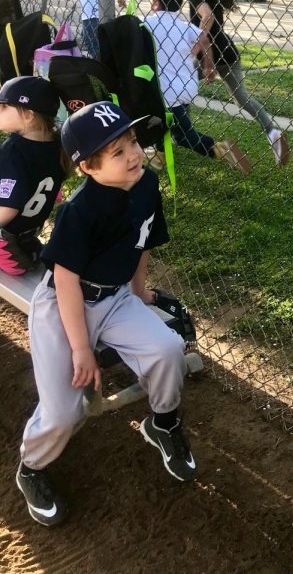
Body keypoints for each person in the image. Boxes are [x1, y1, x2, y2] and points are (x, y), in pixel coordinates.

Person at [16, 100, 197, 528]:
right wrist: (82, 349)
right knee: (65, 412)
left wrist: (139, 291)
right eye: (117, 152)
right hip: (64, 308)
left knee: (167, 349)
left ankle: (163, 423)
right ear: (88, 168)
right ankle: (32, 467)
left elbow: (143, 239)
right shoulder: (78, 211)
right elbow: (64, 283)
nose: (134, 153)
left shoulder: (147, 183)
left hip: (115, 298)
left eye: (132, 140)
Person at [188, 0, 289, 166]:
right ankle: (273, 133)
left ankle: (179, 131)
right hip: (228, 54)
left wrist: (200, 39)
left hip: (207, 56)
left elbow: (207, 17)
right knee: (242, 99)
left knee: (181, 91)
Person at [143, 0, 251, 174]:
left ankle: (219, 149)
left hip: (165, 92)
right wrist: (209, 67)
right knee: (164, 122)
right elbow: (205, 40)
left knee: (183, 135)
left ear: (156, 3)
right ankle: (159, 155)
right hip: (186, 87)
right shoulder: (184, 26)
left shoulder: (147, 24)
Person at [0, 76, 69, 277]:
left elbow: (8, 209)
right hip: (28, 241)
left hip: (9, 248)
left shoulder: (13, 151)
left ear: (29, 115)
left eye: (4, 107)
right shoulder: (57, 145)